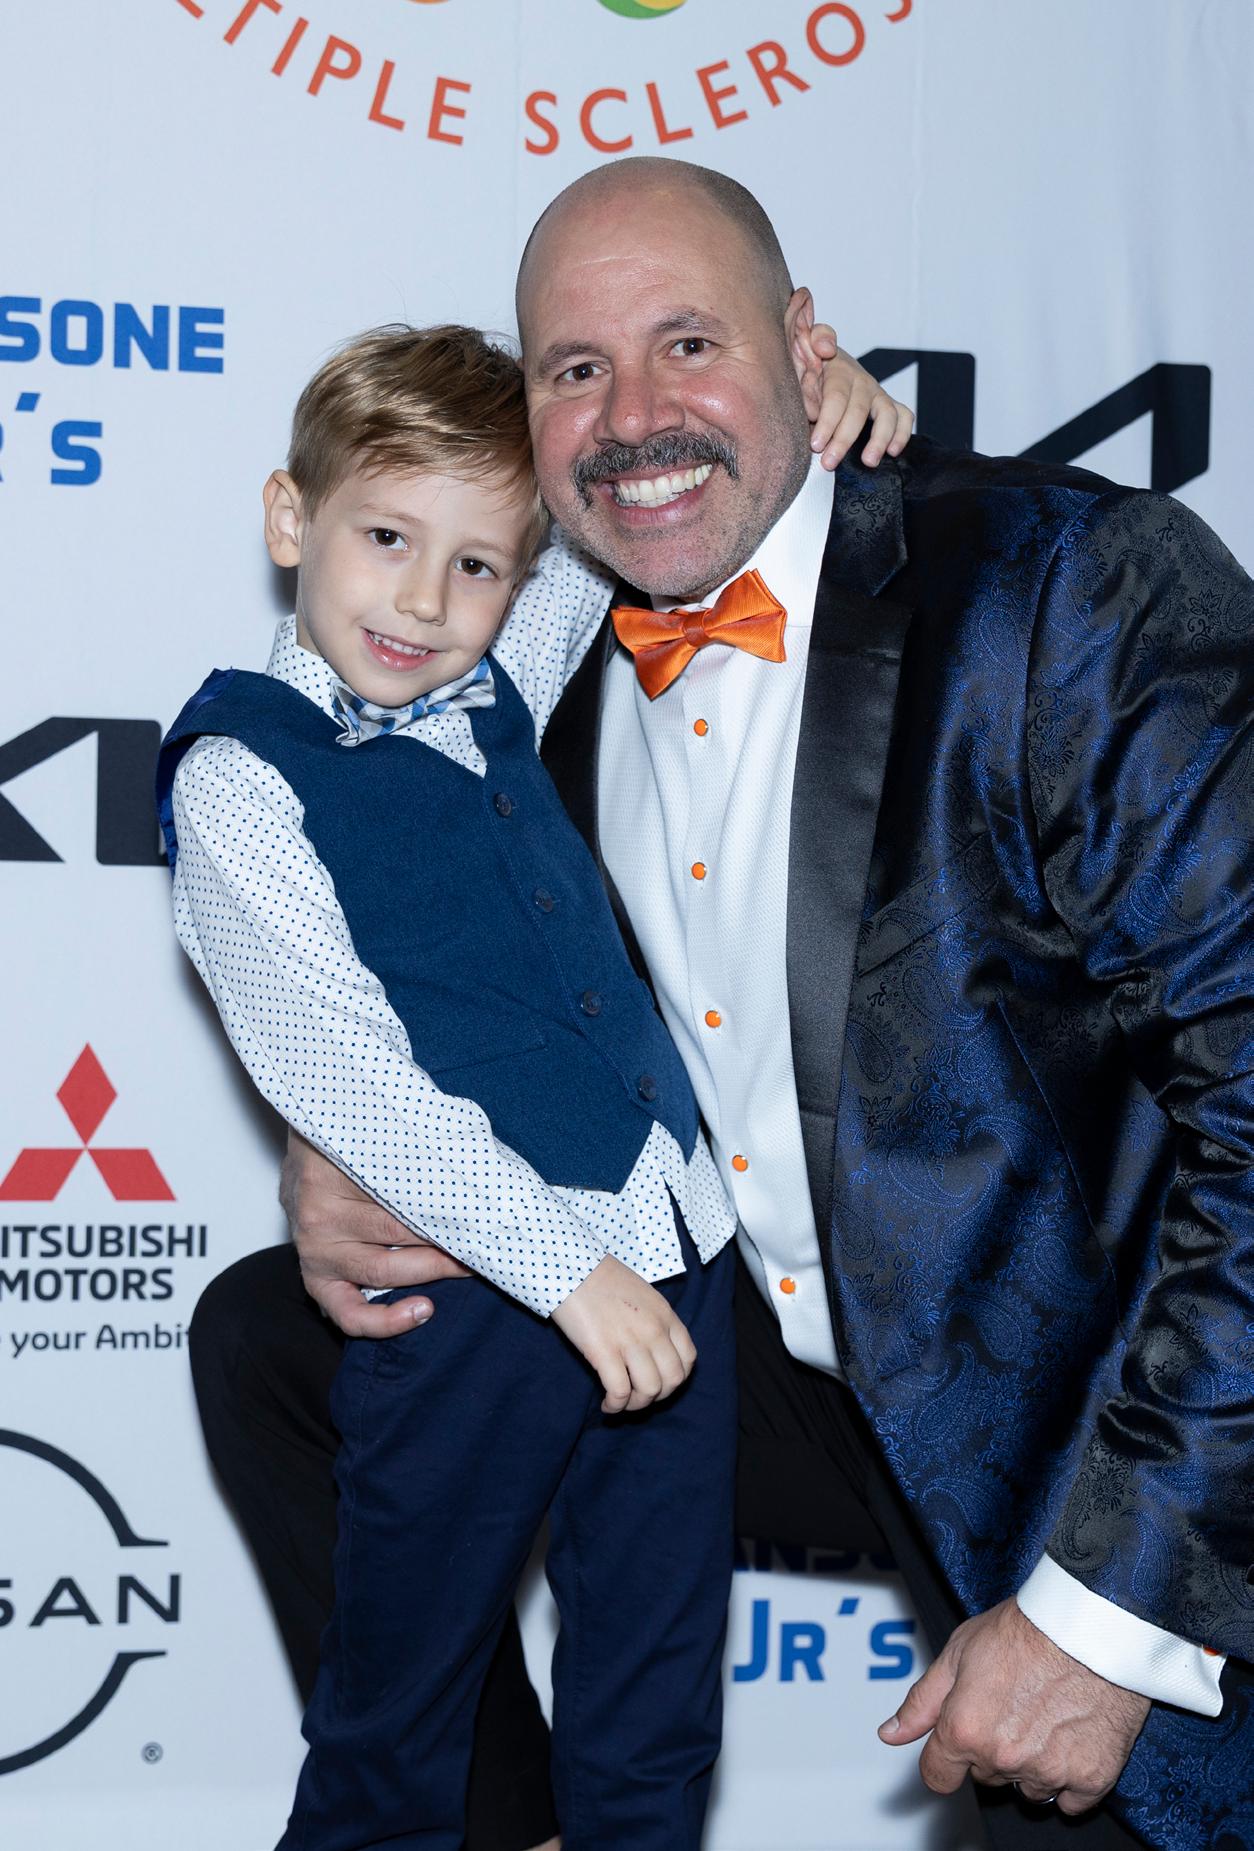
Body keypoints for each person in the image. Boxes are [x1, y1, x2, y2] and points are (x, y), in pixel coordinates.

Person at [196, 158, 1254, 1850]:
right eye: (577, 368)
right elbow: (461, 1000)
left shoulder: (1068, 590)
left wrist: (1102, 1618)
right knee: (283, 1335)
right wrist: (360, 1163)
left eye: (688, 344)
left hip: (1073, 1410)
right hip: (734, 1347)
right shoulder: (510, 671)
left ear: (805, 347)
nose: (634, 416)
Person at [159, 321, 901, 1851]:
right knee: (402, 1706)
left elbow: (616, 512)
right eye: (385, 539)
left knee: (652, 1695)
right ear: (291, 517)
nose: (426, 601)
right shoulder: (241, 775)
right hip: (478, 1292)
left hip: (669, 1248)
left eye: (476, 565)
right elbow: (351, 1086)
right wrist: (567, 1272)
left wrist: (812, 407)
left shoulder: (497, 677)